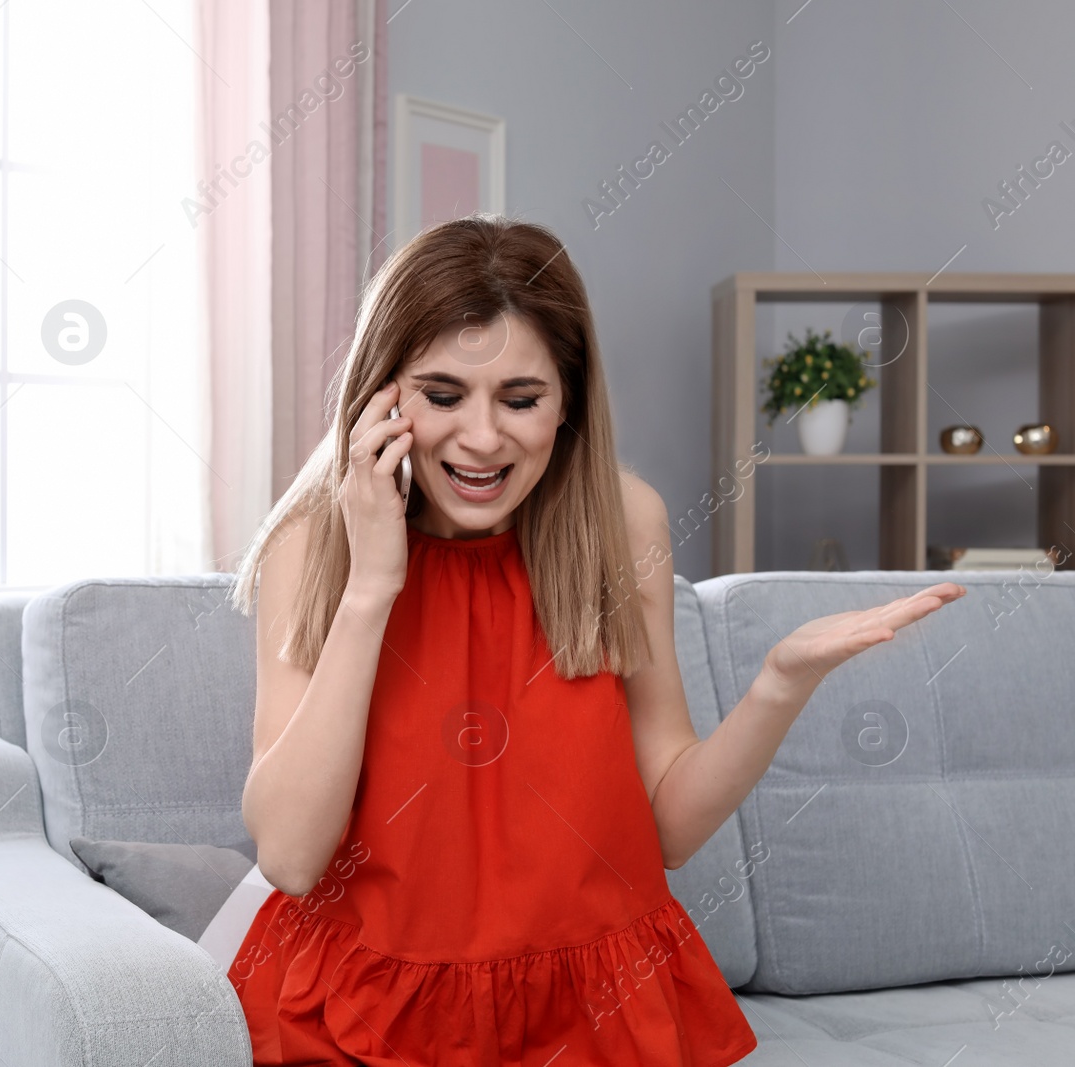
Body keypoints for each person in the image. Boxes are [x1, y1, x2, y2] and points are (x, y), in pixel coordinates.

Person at [223, 214, 965, 1066]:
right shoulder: (313, 544)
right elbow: (289, 855)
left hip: (594, 1015)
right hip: (367, 1015)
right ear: (382, 398)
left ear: (568, 401)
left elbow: (673, 829)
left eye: (521, 398)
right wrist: (373, 587)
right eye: (441, 394)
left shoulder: (624, 523)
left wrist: (779, 683)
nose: (481, 438)